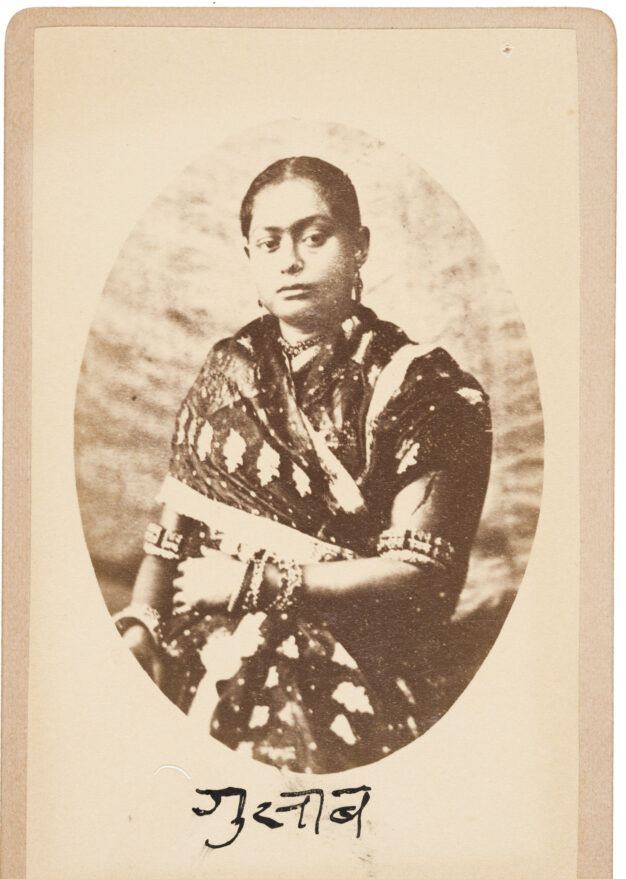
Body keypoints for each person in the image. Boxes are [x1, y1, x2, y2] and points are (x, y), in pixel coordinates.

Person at [114, 156, 492, 773]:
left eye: (314, 238)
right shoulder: (227, 369)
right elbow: (171, 534)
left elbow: (419, 574)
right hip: (196, 631)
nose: (290, 261)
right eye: (269, 244)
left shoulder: (425, 387)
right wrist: (143, 626)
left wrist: (260, 584)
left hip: (348, 651)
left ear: (359, 246)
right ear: (250, 256)